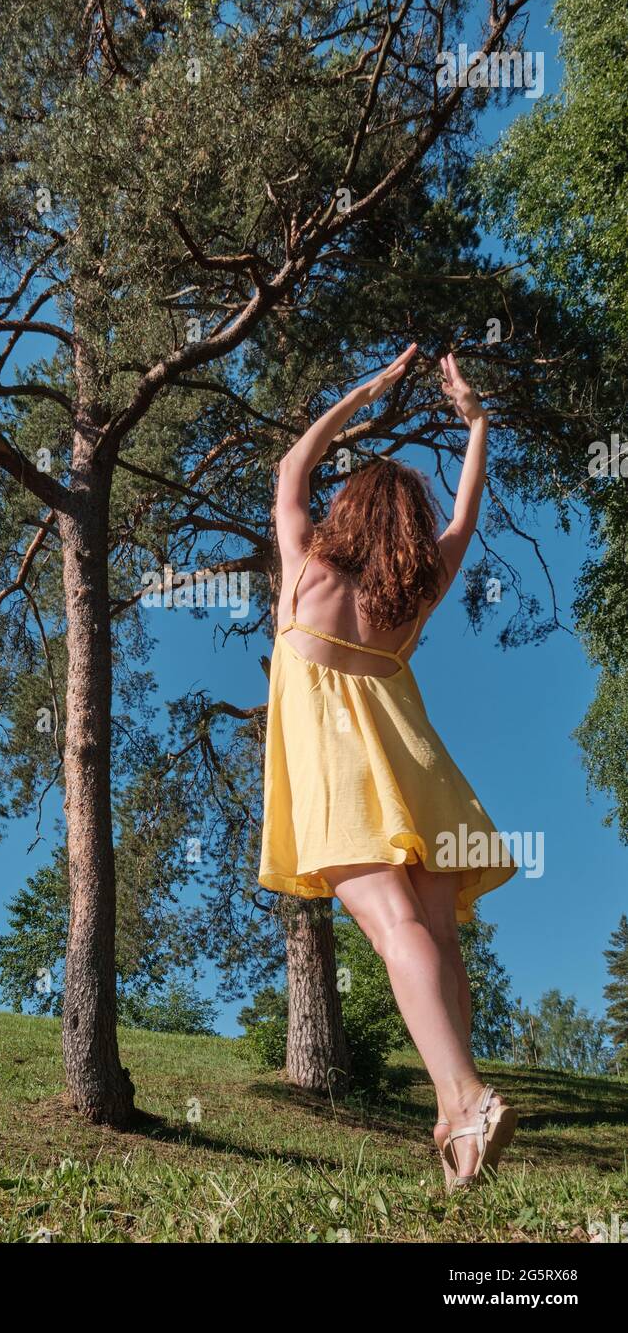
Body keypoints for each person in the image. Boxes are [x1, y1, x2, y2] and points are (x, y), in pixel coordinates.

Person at [259, 344, 518, 1190]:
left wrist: (360, 394)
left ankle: (468, 1097)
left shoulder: (307, 568)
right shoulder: (418, 592)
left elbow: (294, 465)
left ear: (350, 510)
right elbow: (463, 522)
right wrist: (476, 422)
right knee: (438, 938)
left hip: (343, 780)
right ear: (403, 524)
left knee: (393, 930)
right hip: (420, 771)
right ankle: (456, 1119)